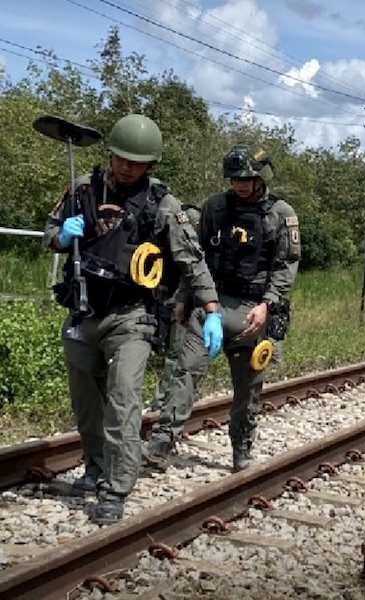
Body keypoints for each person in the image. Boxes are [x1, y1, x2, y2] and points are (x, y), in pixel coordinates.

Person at [43, 113, 223, 524]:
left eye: (135, 161)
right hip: (83, 310)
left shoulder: (163, 206)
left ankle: (116, 487)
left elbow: (192, 262)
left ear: (150, 165)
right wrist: (62, 236)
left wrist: (211, 310)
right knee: (87, 403)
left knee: (124, 400)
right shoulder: (82, 190)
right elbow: (50, 232)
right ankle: (95, 468)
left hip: (132, 317)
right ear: (110, 154)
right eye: (120, 157)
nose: (125, 166)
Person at [144, 143, 300, 473]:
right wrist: (186, 297)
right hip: (212, 306)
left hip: (252, 311)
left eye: (245, 178)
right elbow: (195, 257)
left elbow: (286, 266)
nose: (239, 184)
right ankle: (162, 441)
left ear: (260, 177)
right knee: (186, 371)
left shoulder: (280, 214)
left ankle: (241, 446)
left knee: (247, 390)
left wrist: (267, 306)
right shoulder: (215, 207)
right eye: (234, 179)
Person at [151, 204, 202, 411]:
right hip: (180, 304)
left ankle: (169, 400)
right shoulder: (182, 248)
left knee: (181, 356)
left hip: (184, 304)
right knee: (177, 355)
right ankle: (165, 402)